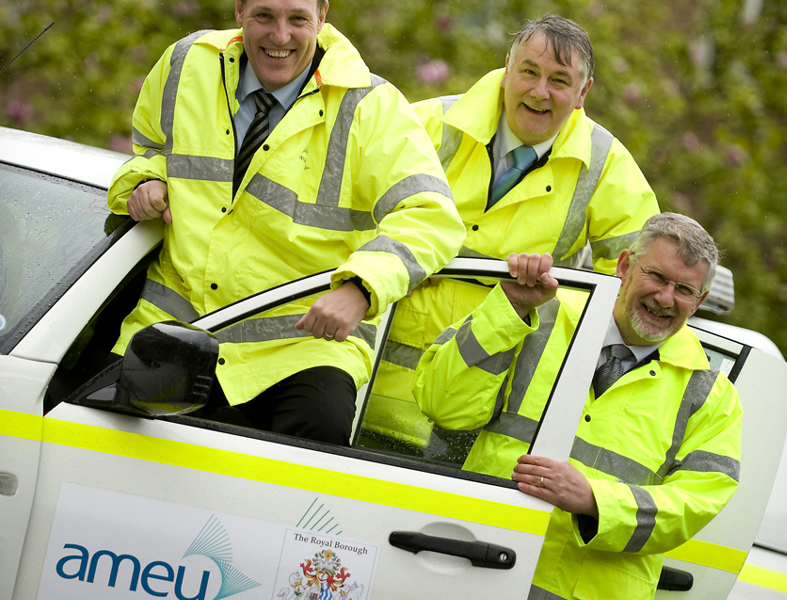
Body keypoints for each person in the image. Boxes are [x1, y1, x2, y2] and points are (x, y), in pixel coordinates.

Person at [106, 0, 465, 445]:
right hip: (174, 332)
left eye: (297, 19)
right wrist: (147, 178)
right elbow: (151, 147)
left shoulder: (371, 107)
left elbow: (433, 217)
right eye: (264, 16)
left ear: (322, 15)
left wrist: (360, 288)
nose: (280, 36)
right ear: (238, 11)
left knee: (308, 471)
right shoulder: (186, 62)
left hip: (301, 350)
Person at [360, 14, 659, 457]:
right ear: (506, 69)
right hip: (367, 397)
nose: (540, 92)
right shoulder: (427, 124)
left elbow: (639, 284)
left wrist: (552, 299)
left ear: (584, 93)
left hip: (484, 426)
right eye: (529, 72)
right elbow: (347, 232)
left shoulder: (607, 166)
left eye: (560, 80)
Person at [412, 213, 742, 599]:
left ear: (699, 301)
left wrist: (594, 500)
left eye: (684, 289)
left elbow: (699, 500)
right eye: (657, 276)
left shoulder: (712, 393)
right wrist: (511, 309)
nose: (666, 298)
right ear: (624, 266)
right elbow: (443, 403)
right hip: (478, 569)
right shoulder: (538, 314)